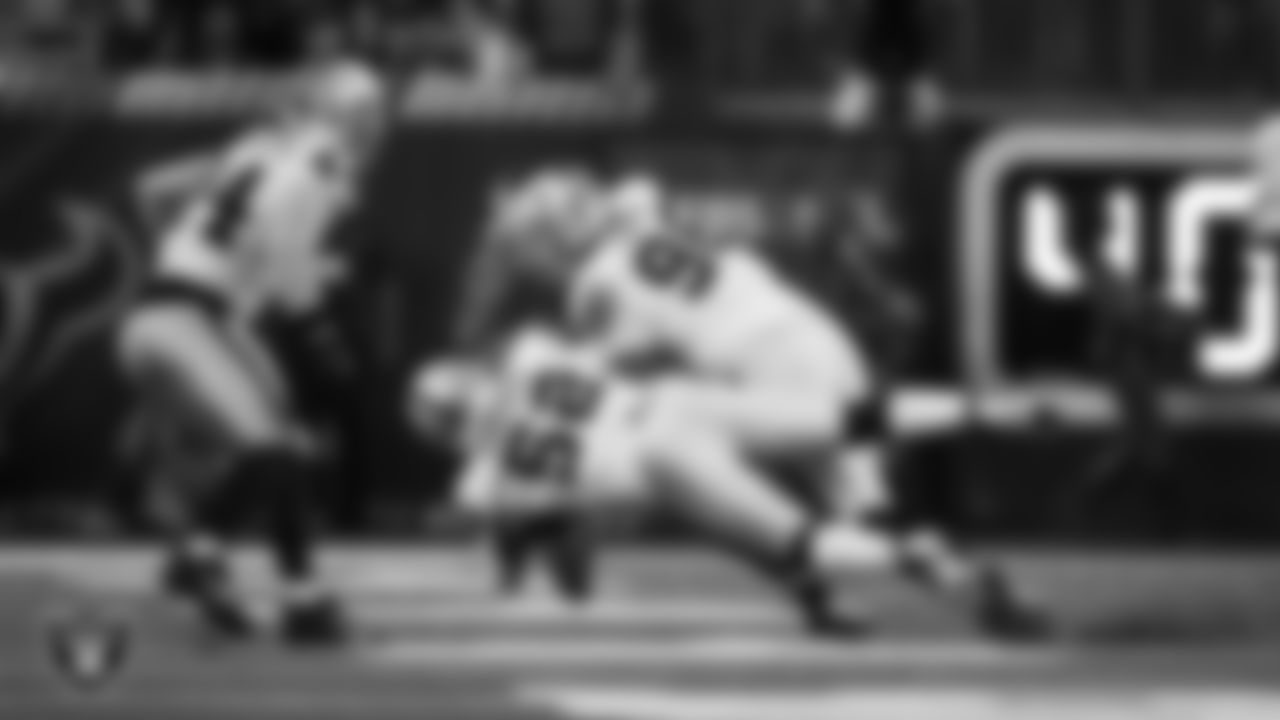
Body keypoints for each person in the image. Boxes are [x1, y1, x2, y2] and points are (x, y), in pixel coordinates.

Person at [409, 323, 1044, 638]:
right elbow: (630, 349)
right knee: (848, 420)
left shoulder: (481, 478)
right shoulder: (530, 352)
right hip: (679, 401)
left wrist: (517, 539)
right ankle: (973, 407)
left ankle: (917, 557)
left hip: (661, 457)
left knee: (798, 538)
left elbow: (573, 579)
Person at [115, 59, 390, 645]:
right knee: (273, 447)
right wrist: (319, 331)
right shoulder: (324, 158)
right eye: (363, 111)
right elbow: (284, 247)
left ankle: (257, 579)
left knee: (284, 448)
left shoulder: (258, 147)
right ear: (327, 110)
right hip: (184, 320)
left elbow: (154, 189)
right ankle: (235, 568)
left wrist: (185, 255)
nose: (373, 125)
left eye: (376, 110)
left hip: (185, 314)